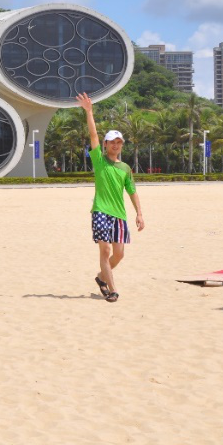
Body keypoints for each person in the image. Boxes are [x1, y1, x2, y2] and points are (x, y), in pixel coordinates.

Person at [77, 92, 145, 303]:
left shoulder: (125, 168)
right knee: (105, 250)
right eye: (112, 142)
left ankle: (101, 277)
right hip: (100, 211)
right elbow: (93, 136)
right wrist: (89, 112)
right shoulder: (99, 161)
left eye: (119, 142)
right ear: (105, 145)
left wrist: (139, 214)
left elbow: (132, 191)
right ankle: (112, 290)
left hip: (119, 215)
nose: (115, 145)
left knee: (119, 254)